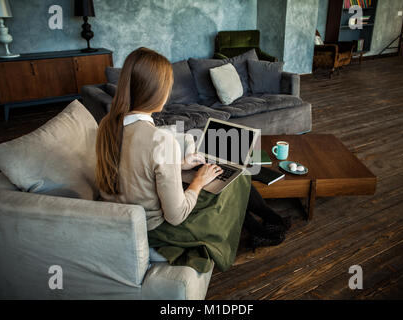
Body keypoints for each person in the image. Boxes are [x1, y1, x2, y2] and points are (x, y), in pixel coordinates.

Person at [96, 47, 291, 266]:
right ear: (157, 92)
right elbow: (176, 216)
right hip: (158, 231)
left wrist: (179, 164)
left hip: (124, 219)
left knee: (222, 173)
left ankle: (262, 223)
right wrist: (198, 182)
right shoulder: (160, 140)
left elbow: (135, 167)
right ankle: (262, 223)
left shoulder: (107, 125)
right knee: (234, 178)